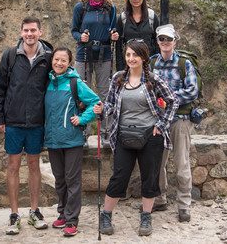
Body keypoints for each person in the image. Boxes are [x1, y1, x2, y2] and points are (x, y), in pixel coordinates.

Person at [95, 40, 177, 237]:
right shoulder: (118, 79)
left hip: (150, 136)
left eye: (135, 55)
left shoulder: (154, 80)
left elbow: (172, 101)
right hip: (124, 134)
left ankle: (146, 217)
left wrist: (161, 125)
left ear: (144, 58)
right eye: (128, 55)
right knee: (119, 177)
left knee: (150, 177)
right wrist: (101, 110)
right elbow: (111, 106)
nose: (131, 59)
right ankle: (106, 215)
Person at [0, 17, 53, 235]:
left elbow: (55, 86)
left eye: (33, 30)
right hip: (15, 121)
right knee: (13, 167)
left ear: (40, 31)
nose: (30, 34)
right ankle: (14, 214)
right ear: (20, 32)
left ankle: (34, 211)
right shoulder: (10, 55)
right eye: (26, 30)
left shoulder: (48, 57)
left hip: (37, 121)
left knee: (35, 167)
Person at [44, 47, 101, 237]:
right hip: (52, 140)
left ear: (69, 63)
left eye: (63, 60)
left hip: (72, 141)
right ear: (52, 61)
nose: (59, 63)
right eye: (56, 59)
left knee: (72, 181)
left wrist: (82, 119)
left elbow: (96, 102)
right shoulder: (48, 82)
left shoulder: (75, 83)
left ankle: (72, 220)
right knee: (59, 180)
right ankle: (62, 213)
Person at [151, 24, 199, 222]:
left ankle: (184, 204)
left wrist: (167, 97)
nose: (165, 42)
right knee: (157, 164)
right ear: (158, 41)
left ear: (175, 41)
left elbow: (192, 91)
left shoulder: (184, 63)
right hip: (159, 121)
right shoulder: (152, 62)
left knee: (182, 163)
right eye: (162, 39)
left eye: (169, 39)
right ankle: (160, 198)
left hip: (180, 119)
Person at [70, 0, 118, 141]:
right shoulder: (80, 7)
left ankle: (106, 130)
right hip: (84, 53)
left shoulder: (110, 8)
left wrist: (114, 35)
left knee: (105, 91)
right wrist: (80, 37)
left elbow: (113, 28)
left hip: (104, 53)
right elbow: (74, 30)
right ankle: (83, 129)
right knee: (83, 91)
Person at [115, 0, 160, 71]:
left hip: (149, 63)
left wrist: (157, 64)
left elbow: (158, 42)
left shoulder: (152, 16)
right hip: (129, 64)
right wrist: (120, 69)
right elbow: (119, 46)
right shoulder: (123, 18)